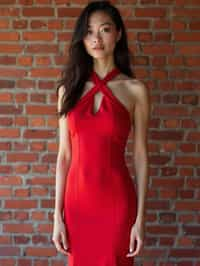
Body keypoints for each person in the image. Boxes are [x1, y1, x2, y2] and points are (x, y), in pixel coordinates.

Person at [52, 1, 150, 265]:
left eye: (104, 30)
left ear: (118, 34)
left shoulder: (135, 90)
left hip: (117, 202)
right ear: (81, 39)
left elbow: (140, 156)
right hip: (77, 203)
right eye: (89, 32)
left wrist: (140, 219)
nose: (96, 39)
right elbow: (63, 156)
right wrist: (56, 216)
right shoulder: (67, 91)